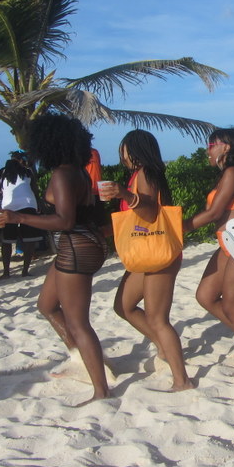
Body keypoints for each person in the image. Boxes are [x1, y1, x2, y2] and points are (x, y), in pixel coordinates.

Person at [0, 114, 111, 402]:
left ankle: (101, 390)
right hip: (81, 244)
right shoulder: (77, 171)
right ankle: (82, 360)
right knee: (46, 305)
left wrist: (16, 217)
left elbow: (65, 221)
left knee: (79, 322)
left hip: (76, 246)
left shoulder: (62, 174)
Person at [101, 129, 194, 391]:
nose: (122, 154)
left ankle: (182, 380)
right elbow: (133, 218)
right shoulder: (138, 176)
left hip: (158, 252)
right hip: (147, 252)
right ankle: (165, 349)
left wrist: (123, 194)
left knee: (157, 319)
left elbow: (151, 210)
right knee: (124, 306)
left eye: (125, 149)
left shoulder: (146, 174)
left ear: (135, 150)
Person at [183, 127, 234, 377]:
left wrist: (178, 228)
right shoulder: (225, 175)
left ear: (225, 147)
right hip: (228, 244)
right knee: (205, 296)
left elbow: (214, 214)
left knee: (233, 307)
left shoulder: (232, 173)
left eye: (211, 145)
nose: (208, 150)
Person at [0, 153, 43, 279]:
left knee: (7, 240)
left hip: (9, 208)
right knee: (29, 240)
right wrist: (39, 205)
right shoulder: (27, 171)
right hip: (29, 204)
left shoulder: (1, 173)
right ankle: (25, 271)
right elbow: (34, 189)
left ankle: (6, 272)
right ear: (21, 161)